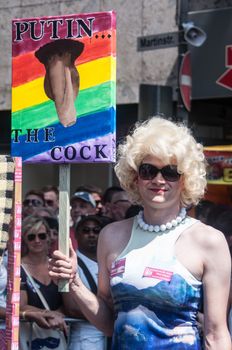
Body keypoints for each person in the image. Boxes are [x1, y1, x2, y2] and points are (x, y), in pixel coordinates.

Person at [49, 117, 231, 349]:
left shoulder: (208, 241)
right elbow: (109, 323)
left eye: (171, 172)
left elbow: (216, 335)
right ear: (135, 177)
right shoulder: (111, 236)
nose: (158, 180)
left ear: (185, 180)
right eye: (148, 170)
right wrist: (74, 283)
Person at [20, 215, 67, 348]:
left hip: (57, 334)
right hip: (30, 336)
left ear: (48, 237)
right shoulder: (18, 267)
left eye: (41, 236)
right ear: (24, 239)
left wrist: (59, 314)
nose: (37, 240)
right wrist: (49, 314)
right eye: (31, 237)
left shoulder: (58, 264)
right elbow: (21, 305)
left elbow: (68, 301)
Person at [67, 215, 107, 350]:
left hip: (109, 338)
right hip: (85, 339)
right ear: (76, 235)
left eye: (96, 230)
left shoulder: (107, 262)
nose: (91, 234)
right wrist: (109, 313)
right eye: (86, 230)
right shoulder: (69, 263)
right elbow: (71, 308)